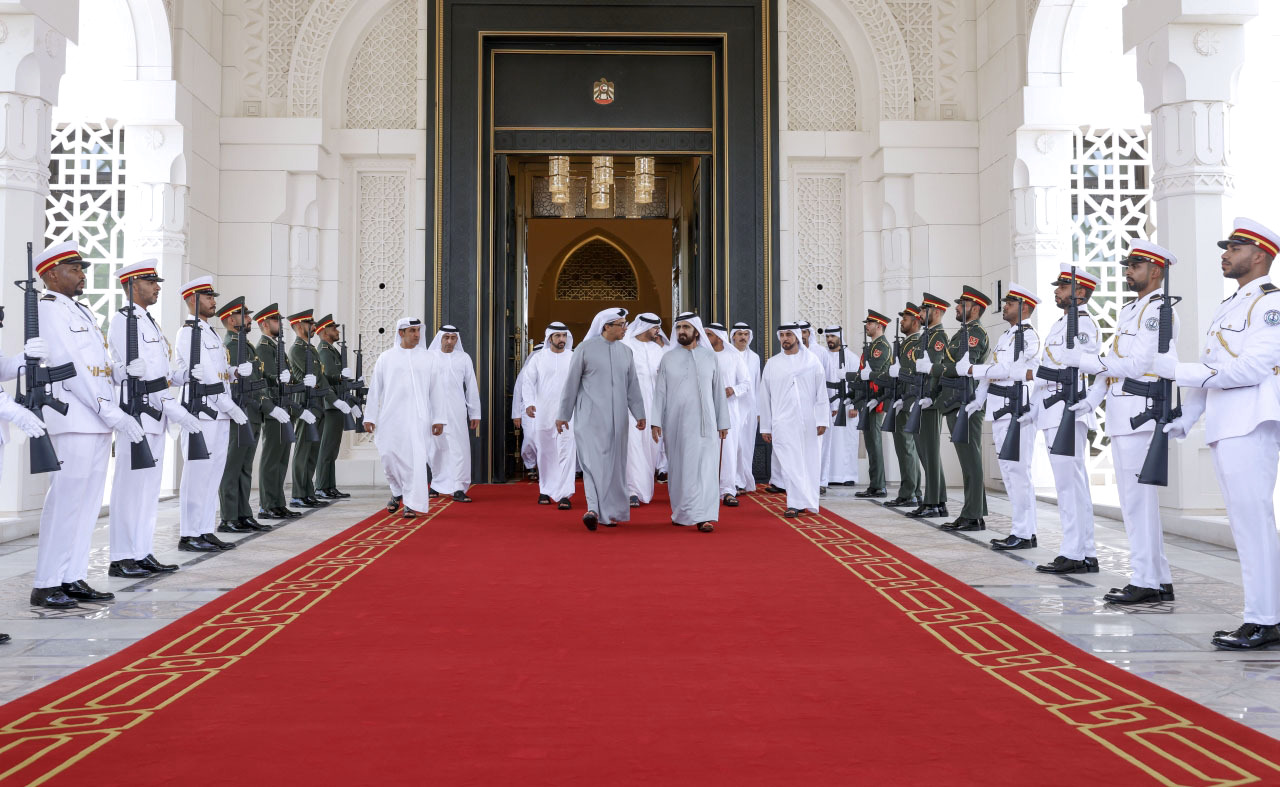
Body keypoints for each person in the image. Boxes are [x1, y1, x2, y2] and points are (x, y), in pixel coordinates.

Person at [1157, 218, 1280, 649]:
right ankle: (1263, 614)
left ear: (1260, 255)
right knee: (1244, 524)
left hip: (1251, 423)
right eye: (1226, 247)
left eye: (1235, 247)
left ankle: (1266, 619)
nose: (1225, 254)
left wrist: (1179, 371)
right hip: (1227, 425)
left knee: (1254, 523)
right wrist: (1186, 417)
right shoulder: (1230, 306)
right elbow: (1214, 368)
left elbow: (1249, 369)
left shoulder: (1269, 305)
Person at [27, 242, 138, 608]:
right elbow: (71, 367)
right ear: (50, 275)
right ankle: (46, 582)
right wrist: (109, 409)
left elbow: (99, 366)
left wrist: (111, 402)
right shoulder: (49, 311)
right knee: (66, 502)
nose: (82, 275)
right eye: (74, 269)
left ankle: (71, 575)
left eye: (82, 268)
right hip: (74, 416)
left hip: (93, 419)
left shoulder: (82, 312)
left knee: (88, 504)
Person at [1069, 241, 1178, 603]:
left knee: (1136, 502)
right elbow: (1115, 362)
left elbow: (1134, 365)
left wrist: (1089, 363)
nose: (1127, 270)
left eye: (1135, 265)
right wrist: (1090, 399)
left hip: (1138, 414)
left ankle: (1145, 580)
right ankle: (1158, 577)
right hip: (1122, 412)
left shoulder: (1157, 312)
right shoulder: (1131, 310)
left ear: (1156, 271)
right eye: (1127, 264)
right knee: (1137, 501)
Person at [105, 260, 199, 578]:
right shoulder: (123, 320)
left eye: (156, 282)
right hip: (136, 411)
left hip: (156, 413)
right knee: (129, 488)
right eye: (151, 282)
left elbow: (160, 374)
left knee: (148, 490)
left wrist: (182, 377)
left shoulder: (151, 323)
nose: (157, 287)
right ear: (132, 285)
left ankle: (141, 551)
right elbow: (131, 372)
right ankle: (121, 556)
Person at [958, 285, 1041, 550]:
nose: (1004, 306)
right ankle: (1021, 529)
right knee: (1008, 470)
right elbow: (996, 371)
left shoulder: (1029, 337)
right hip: (999, 407)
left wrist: (972, 369)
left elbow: (1009, 369)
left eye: (1010, 303)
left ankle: (1025, 532)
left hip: (1016, 409)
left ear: (1024, 307)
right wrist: (979, 398)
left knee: (1018, 471)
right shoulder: (1006, 336)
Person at [1030, 266, 1101, 574]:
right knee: (1071, 484)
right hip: (1053, 410)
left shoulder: (1084, 325)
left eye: (1062, 286)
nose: (1056, 290)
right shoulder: (1062, 324)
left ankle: (1075, 552)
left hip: (1067, 410)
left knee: (1069, 485)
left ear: (1081, 292)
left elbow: (1082, 365)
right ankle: (1084, 550)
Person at [176, 276, 251, 553]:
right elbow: (205, 376)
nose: (213, 302)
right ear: (192, 300)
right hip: (202, 412)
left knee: (213, 474)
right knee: (197, 475)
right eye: (208, 297)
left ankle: (205, 529)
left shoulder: (210, 332)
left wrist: (233, 373)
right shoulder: (188, 332)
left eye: (212, 297)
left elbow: (218, 371)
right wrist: (228, 405)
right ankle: (189, 533)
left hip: (218, 414)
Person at [556, 307, 646, 531]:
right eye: (621, 325)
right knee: (592, 465)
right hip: (590, 419)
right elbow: (571, 384)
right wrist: (563, 415)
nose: (625, 329)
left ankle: (609, 513)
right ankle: (593, 509)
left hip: (618, 422)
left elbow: (633, 386)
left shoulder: (626, 352)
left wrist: (639, 413)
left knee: (615, 466)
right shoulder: (585, 349)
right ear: (607, 326)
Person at [651, 314, 730, 532]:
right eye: (678, 328)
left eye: (686, 327)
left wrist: (722, 422)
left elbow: (718, 391)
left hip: (706, 425)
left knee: (706, 469)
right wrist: (655, 421)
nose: (681, 331)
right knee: (679, 470)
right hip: (676, 425)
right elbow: (660, 393)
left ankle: (704, 516)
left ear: (696, 331)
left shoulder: (709, 357)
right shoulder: (668, 358)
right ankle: (682, 513)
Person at [363, 318, 441, 518]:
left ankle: (411, 502)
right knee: (388, 456)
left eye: (418, 330)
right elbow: (375, 389)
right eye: (412, 330)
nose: (417, 334)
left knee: (414, 461)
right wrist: (370, 416)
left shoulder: (429, 358)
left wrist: (438, 418)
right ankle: (397, 491)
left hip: (419, 419)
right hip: (390, 418)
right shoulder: (386, 358)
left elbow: (436, 391)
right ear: (401, 333)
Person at [931, 286, 991, 531]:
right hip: (954, 401)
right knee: (967, 460)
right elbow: (952, 365)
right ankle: (972, 512)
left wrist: (936, 369)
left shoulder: (975, 334)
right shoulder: (962, 334)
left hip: (966, 403)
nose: (956, 307)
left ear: (974, 308)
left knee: (970, 460)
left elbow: (966, 367)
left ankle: (973, 515)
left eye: (962, 304)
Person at [217, 297, 277, 535]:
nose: (250, 319)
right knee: (232, 466)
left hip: (251, 413)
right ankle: (229, 517)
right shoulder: (232, 345)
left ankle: (243, 514)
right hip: (239, 412)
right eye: (245, 316)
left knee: (244, 467)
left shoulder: (245, 344)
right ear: (232, 320)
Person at [758, 323, 829, 518]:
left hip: (808, 421)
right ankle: (795, 502)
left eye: (789, 334)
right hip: (782, 422)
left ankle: (805, 501)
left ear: (797, 337)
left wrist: (822, 419)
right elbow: (764, 397)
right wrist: (766, 425)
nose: (785, 339)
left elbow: (821, 393)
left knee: (808, 462)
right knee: (789, 463)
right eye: (782, 335)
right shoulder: (773, 363)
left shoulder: (812, 361)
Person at [254, 303, 302, 521]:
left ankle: (278, 502)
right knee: (271, 458)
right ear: (264, 324)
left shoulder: (276, 346)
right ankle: (267, 505)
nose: (280, 325)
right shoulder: (264, 346)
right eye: (276, 321)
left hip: (284, 406)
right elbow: (266, 377)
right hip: (274, 407)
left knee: (282, 458)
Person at [522, 322, 577, 509]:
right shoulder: (538, 358)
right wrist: (529, 403)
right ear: (549, 338)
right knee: (545, 453)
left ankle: (565, 494)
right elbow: (528, 382)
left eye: (564, 336)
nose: (562, 339)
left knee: (566, 452)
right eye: (558, 336)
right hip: (543, 413)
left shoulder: (573, 357)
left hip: (568, 414)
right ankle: (545, 489)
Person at [907, 293, 952, 519]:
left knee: (930, 453)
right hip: (921, 397)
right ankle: (937, 500)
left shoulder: (938, 337)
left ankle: (933, 502)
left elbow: (937, 369)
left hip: (930, 401)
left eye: (924, 311)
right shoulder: (927, 336)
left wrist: (931, 398)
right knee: (925, 453)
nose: (921, 314)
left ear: (936, 312)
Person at [425, 324, 481, 503]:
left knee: (459, 448)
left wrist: (475, 413)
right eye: (446, 337)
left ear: (457, 339)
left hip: (456, 409)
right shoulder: (429, 357)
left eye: (453, 338)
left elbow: (471, 386)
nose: (449, 341)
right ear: (440, 338)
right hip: (433, 409)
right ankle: (437, 483)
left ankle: (458, 486)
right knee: (436, 448)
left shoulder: (463, 358)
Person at [286, 309, 330, 510]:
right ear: (298, 326)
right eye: (308, 323)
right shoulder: (296, 350)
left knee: (312, 451)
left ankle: (308, 491)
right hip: (304, 403)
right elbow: (305, 377)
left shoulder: (310, 349)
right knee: (303, 451)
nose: (313, 326)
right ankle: (298, 494)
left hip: (317, 402)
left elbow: (319, 378)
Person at [622, 313, 665, 506]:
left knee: (651, 447)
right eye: (655, 328)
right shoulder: (625, 345)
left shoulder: (658, 350)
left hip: (654, 405)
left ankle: (644, 489)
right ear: (644, 328)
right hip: (629, 405)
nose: (658, 332)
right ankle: (631, 491)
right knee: (632, 446)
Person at [885, 304, 924, 508]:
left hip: (908, 401)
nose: (903, 321)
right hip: (902, 399)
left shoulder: (916, 343)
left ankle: (910, 492)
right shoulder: (906, 343)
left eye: (906, 318)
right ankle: (913, 491)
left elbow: (913, 373)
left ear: (916, 322)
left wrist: (904, 398)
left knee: (907, 447)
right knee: (905, 448)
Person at [706, 321, 748, 507]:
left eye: (709, 335)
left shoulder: (734, 356)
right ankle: (707, 490)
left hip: (729, 409)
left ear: (719, 337)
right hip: (705, 409)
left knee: (728, 451)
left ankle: (728, 490)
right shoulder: (702, 355)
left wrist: (733, 390)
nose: (705, 338)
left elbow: (746, 383)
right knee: (707, 450)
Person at [314, 314, 355, 500]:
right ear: (324, 332)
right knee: (327, 448)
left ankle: (329, 486)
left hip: (336, 404)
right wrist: (340, 377)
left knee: (333, 448)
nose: (337, 331)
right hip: (330, 405)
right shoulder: (323, 350)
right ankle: (322, 486)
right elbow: (328, 376)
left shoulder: (331, 350)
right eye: (333, 329)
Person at [855, 312, 893, 498]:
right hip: (868, 398)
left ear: (879, 325)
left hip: (876, 399)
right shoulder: (872, 346)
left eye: (870, 322)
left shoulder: (882, 346)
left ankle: (879, 485)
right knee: (871, 442)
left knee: (874, 442)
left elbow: (874, 372)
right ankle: (875, 483)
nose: (866, 325)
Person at [820, 325, 859, 490]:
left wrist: (855, 404)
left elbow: (857, 383)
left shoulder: (851, 357)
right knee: (828, 443)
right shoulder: (822, 357)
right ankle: (827, 476)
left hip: (847, 405)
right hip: (827, 405)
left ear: (840, 338)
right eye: (827, 337)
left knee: (847, 441)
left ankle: (848, 475)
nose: (829, 340)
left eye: (832, 337)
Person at [730, 321, 761, 493]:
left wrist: (758, 411)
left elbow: (757, 385)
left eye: (746, 334)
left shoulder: (755, 358)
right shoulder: (727, 355)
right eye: (740, 334)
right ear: (733, 336)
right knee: (734, 445)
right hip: (731, 406)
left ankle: (742, 481)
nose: (743, 337)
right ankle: (731, 479)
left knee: (746, 446)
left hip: (749, 409)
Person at [512, 342, 542, 481]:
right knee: (530, 438)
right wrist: (516, 415)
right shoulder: (525, 372)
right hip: (528, 411)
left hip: (546, 410)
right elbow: (517, 394)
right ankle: (530, 465)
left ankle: (543, 468)